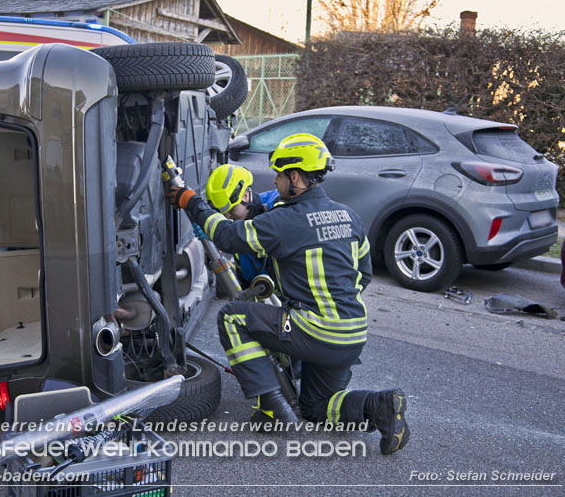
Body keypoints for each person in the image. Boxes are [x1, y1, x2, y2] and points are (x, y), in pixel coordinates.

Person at [168, 133, 409, 455]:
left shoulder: (286, 219)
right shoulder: (349, 216)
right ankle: (380, 405)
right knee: (318, 407)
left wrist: (189, 200)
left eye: (281, 174)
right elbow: (363, 274)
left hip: (317, 330)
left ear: (296, 177)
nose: (277, 180)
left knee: (233, 317)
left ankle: (271, 407)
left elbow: (227, 235)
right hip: (352, 334)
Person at [205, 163, 279, 285]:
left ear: (245, 195)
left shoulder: (276, 206)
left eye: (230, 209)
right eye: (222, 212)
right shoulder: (241, 222)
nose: (227, 216)